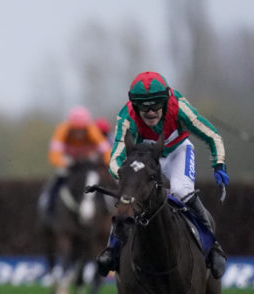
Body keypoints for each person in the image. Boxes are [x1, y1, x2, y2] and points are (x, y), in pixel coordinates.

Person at [96, 71, 229, 278]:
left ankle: (213, 247)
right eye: (144, 107)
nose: (150, 113)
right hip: (147, 156)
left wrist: (219, 164)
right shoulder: (126, 117)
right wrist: (125, 177)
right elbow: (115, 158)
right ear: (135, 106)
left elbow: (212, 135)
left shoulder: (180, 107)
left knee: (181, 191)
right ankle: (112, 250)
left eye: (156, 105)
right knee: (128, 197)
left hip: (178, 152)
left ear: (166, 100)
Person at [43, 106, 111, 217]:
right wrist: (64, 163)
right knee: (57, 179)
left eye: (82, 130)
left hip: (87, 160)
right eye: (76, 130)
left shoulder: (92, 129)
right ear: (70, 126)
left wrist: (106, 162)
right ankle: (48, 204)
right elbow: (54, 154)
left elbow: (106, 149)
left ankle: (108, 205)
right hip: (69, 160)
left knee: (99, 179)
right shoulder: (62, 129)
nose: (79, 133)